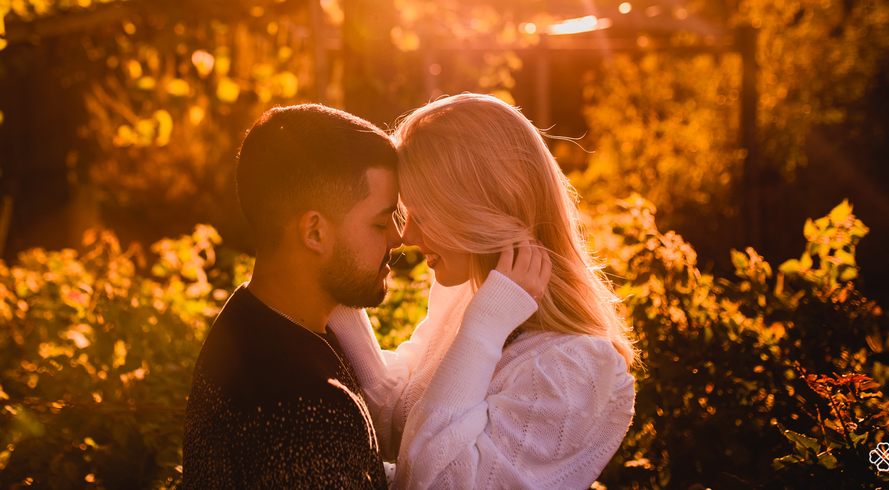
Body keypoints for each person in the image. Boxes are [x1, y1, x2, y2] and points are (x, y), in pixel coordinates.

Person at [328, 93, 638, 490]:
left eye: (421, 215)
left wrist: (484, 329)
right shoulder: (470, 298)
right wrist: (328, 275)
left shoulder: (573, 369)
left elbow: (434, 483)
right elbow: (393, 423)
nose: (406, 236)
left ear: (478, 211)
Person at [181, 103, 402, 489]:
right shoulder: (307, 409)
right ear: (315, 233)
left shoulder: (249, 320)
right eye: (381, 222)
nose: (398, 238)